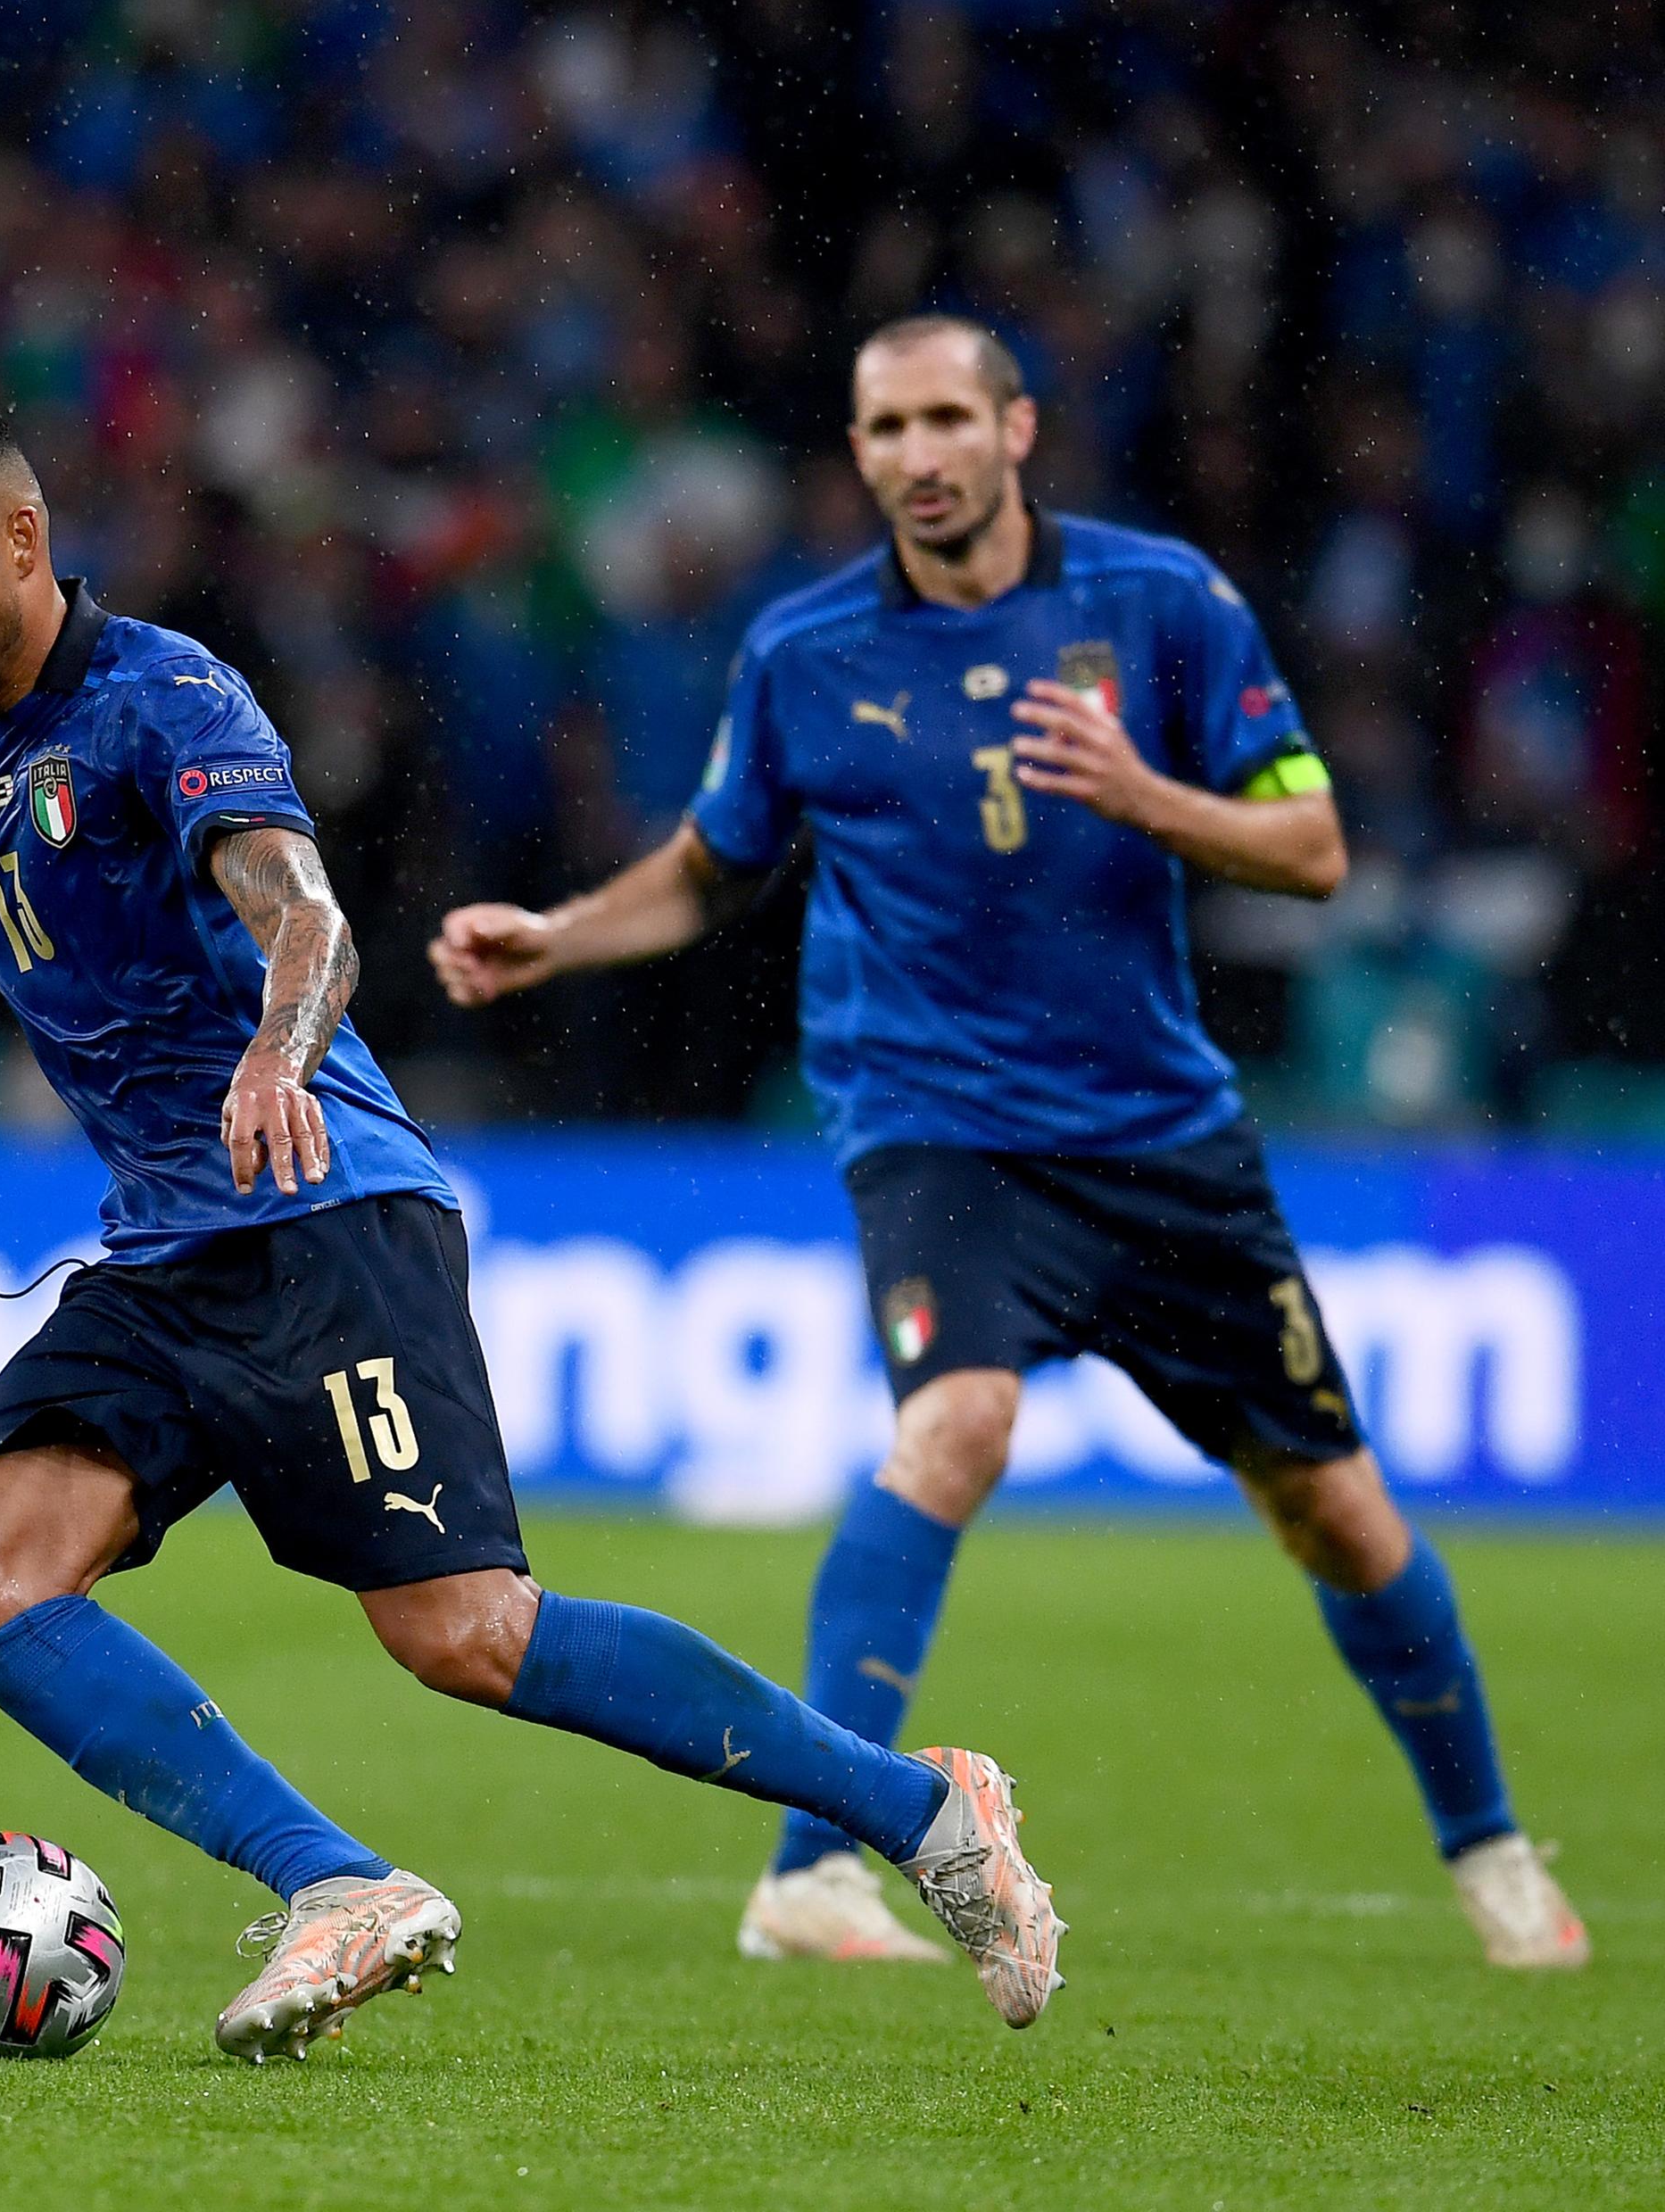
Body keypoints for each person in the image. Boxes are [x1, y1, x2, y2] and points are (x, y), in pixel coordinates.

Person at [0, 381, 1064, 2060]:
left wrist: (280, 1054)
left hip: (322, 1216)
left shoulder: (164, 696)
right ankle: (337, 1885)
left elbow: (305, 909)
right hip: (162, 1253)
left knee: (465, 1636)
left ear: (22, 540)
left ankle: (920, 1810)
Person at [432, 315, 1588, 1973]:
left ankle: (1487, 1850)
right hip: (935, 1127)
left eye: (945, 420)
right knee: (955, 1426)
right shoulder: (807, 649)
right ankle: (812, 1872)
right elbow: (710, 864)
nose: (916, 454)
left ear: (1017, 429)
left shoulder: (1160, 604)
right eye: (884, 427)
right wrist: (559, 935)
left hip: (1160, 1139)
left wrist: (1148, 797)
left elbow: (1318, 846)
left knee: (1337, 1513)